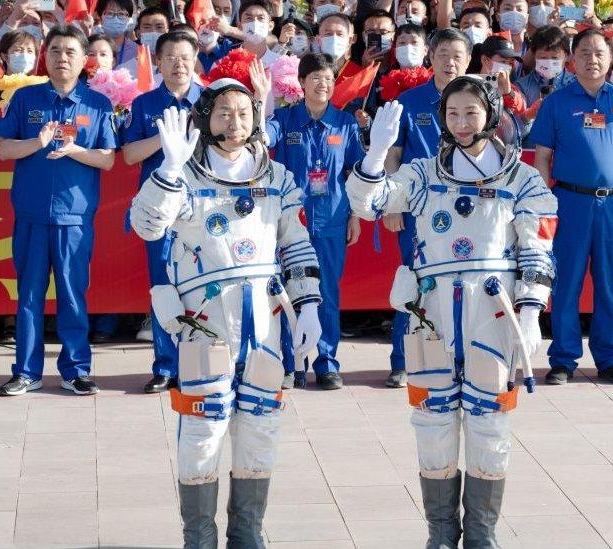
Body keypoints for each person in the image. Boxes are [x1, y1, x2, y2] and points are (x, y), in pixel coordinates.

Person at [347, 75, 556, 549]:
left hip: (494, 316)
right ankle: (440, 533)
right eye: (453, 114)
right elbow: (368, 203)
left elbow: (538, 247)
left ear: (492, 114)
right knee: (433, 426)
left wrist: (529, 310)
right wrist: (375, 156)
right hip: (433, 317)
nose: (461, 124)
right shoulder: (423, 174)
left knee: (491, 425)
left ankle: (482, 533)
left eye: (471, 113)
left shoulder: (520, 177)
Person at [128, 76, 323, 547]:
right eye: (222, 113)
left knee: (261, 429)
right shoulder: (186, 177)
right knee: (202, 430)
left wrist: (310, 306)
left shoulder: (278, 179)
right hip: (207, 326)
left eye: (242, 112)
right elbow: (147, 227)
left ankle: (247, 534)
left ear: (256, 117)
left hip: (264, 322)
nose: (234, 122)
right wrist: (170, 167)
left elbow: (296, 244)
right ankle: (199, 537)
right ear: (205, 120)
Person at [0, 25, 117, 396]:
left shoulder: (98, 105)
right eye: (56, 51)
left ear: (84, 60)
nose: (62, 58)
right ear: (45, 57)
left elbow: (108, 160)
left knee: (73, 294)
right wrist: (37, 142)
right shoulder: (26, 99)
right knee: (29, 296)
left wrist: (75, 151)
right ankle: (26, 371)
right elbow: (3, 150)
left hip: (74, 219)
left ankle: (76, 370)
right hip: (31, 216)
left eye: (70, 52)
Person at [529, 28, 613, 386]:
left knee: (609, 285)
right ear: (572, 60)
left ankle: (610, 358)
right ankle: (563, 359)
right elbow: (542, 159)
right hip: (569, 203)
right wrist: (543, 205)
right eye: (584, 53)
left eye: (599, 53)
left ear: (609, 59)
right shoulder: (557, 103)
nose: (592, 59)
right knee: (566, 282)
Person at [268, 53, 364, 390]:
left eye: (327, 79)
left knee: (326, 294)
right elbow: (262, 138)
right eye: (315, 78)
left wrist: (355, 215)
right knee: (288, 292)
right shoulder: (284, 118)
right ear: (302, 82)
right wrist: (261, 96)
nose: (322, 84)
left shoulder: (345, 124)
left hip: (332, 220)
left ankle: (326, 363)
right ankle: (292, 363)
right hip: (290, 224)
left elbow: (356, 173)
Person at [383, 27, 472, 388]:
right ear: (430, 58)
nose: (450, 62)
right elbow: (394, 154)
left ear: (468, 60)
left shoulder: (478, 99)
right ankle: (403, 361)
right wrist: (391, 203)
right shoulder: (410, 101)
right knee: (413, 282)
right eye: (442, 55)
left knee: (462, 284)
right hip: (418, 208)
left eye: (457, 56)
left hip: (466, 211)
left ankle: (458, 357)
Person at [122, 31, 203, 394]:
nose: (178, 63)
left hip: (203, 210)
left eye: (185, 56)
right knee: (163, 287)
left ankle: (201, 363)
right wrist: (165, 139)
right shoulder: (144, 104)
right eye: (170, 57)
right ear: (158, 61)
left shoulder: (212, 100)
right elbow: (128, 155)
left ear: (195, 58)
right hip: (160, 211)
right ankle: (166, 365)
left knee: (203, 288)